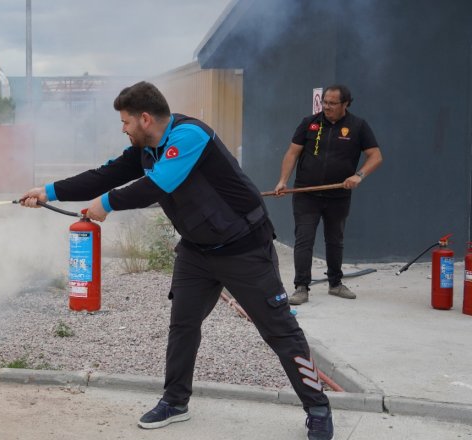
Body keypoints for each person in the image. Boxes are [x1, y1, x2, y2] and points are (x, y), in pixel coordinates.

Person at [20, 81, 334, 440]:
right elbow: (104, 175)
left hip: (244, 248)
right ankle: (175, 401)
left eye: (125, 122)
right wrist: (48, 191)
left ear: (144, 118)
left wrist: (105, 204)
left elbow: (157, 186)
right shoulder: (144, 149)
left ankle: (318, 408)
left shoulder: (189, 136)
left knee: (280, 330)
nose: (123, 129)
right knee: (183, 325)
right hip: (196, 251)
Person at [274, 84, 383, 305]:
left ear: (346, 104)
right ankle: (301, 287)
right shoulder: (309, 123)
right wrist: (283, 181)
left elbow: (376, 156)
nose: (327, 107)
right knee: (304, 239)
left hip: (338, 195)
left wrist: (359, 176)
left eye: (332, 103)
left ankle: (335, 283)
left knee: (335, 240)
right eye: (325, 102)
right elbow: (292, 152)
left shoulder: (358, 126)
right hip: (306, 194)